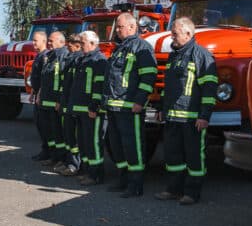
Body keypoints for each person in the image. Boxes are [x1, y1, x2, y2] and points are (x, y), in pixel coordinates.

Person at [155, 17, 217, 205]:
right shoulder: (174, 56)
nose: (171, 37)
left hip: (192, 119)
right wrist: (161, 108)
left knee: (194, 158)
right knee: (172, 156)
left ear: (188, 34)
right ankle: (173, 190)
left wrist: (204, 116)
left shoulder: (201, 55)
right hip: (172, 117)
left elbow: (209, 88)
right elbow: (168, 87)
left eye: (175, 33)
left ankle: (192, 193)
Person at [103, 13, 157, 197]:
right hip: (114, 106)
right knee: (117, 146)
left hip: (129, 107)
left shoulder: (142, 47)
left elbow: (148, 76)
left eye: (120, 27)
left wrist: (139, 101)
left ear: (133, 27)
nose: (117, 30)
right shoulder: (119, 48)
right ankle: (123, 179)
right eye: (117, 27)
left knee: (133, 146)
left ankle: (135, 185)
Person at [76, 30, 108, 186]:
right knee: (84, 142)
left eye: (83, 43)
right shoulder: (84, 60)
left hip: (93, 110)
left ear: (93, 43)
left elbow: (99, 85)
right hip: (82, 108)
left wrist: (95, 105)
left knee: (94, 143)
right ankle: (88, 171)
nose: (80, 46)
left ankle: (96, 175)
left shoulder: (99, 60)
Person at [55, 33, 84, 175]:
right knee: (67, 136)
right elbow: (65, 84)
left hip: (72, 105)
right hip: (66, 103)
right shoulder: (70, 60)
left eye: (70, 46)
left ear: (77, 46)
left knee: (73, 137)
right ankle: (69, 162)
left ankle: (75, 165)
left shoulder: (78, 60)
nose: (68, 48)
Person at [37, 31, 68, 166]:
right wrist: (39, 93)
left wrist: (60, 100)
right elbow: (45, 78)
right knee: (49, 133)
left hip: (55, 103)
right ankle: (52, 156)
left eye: (51, 41)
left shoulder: (64, 56)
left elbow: (64, 81)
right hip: (45, 101)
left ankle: (61, 159)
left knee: (58, 134)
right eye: (48, 40)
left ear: (61, 42)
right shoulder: (49, 56)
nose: (48, 43)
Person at [28, 31, 51, 161]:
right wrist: (33, 91)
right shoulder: (38, 56)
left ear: (43, 41)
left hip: (42, 96)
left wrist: (40, 94)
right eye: (33, 40)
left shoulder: (45, 56)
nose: (33, 43)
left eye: (35, 40)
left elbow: (45, 78)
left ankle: (48, 152)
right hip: (37, 94)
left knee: (44, 125)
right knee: (39, 124)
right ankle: (45, 150)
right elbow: (36, 76)